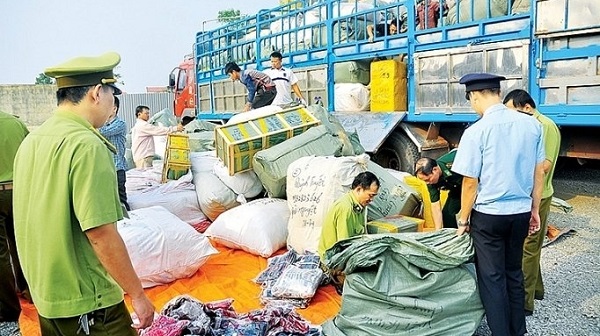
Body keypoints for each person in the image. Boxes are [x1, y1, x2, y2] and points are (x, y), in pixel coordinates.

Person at [12, 52, 155, 335]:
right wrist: (137, 295)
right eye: (113, 95)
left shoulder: (32, 140)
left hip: (48, 298)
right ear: (96, 93)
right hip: (90, 306)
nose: (114, 104)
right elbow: (100, 233)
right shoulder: (87, 145)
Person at [452, 73, 545, 336]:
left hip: (489, 216)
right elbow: (539, 172)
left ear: (476, 95)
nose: (472, 104)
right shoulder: (531, 125)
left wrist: (463, 219)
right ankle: (518, 331)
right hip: (520, 212)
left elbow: (470, 182)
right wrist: (535, 210)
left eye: (471, 99)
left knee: (492, 279)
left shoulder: (476, 131)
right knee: (514, 272)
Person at [503, 89, 561, 316]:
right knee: (530, 245)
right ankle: (536, 290)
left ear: (526, 107)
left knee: (527, 248)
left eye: (513, 111)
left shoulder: (543, 126)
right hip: (530, 193)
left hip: (538, 194)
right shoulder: (531, 124)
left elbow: (543, 165)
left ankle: (524, 302)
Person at [0, 111, 28, 335]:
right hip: (19, 190)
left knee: (1, 254)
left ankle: (9, 309)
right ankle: (29, 289)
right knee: (22, 244)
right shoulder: (15, 123)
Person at [318, 171, 380, 260]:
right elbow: (344, 247)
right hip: (333, 260)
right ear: (359, 189)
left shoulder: (359, 206)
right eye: (370, 195)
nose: (371, 200)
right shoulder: (345, 208)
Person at [414, 149, 461, 230]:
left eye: (428, 179)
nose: (427, 183)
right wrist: (438, 231)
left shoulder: (454, 164)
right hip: (457, 188)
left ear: (435, 170)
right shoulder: (430, 182)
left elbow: (472, 181)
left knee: (476, 216)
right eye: (424, 181)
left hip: (476, 183)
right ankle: (451, 238)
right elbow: (435, 205)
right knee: (447, 214)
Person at [99, 96, 130, 210]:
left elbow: (102, 132)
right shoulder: (104, 124)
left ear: (114, 109)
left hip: (117, 168)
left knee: (121, 199)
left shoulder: (120, 124)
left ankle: (130, 220)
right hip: (107, 168)